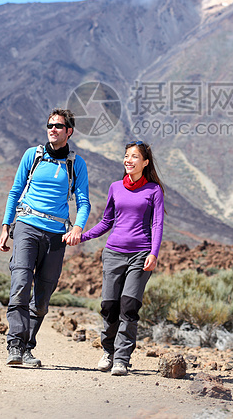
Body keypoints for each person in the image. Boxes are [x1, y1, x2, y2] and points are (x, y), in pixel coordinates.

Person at [63, 140, 165, 376]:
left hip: (141, 254)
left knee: (129, 306)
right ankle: (108, 351)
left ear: (145, 162)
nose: (129, 160)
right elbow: (107, 221)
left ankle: (121, 358)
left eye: (135, 157)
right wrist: (82, 236)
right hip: (113, 253)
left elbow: (158, 223)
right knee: (109, 306)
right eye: (127, 156)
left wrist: (154, 253)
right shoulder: (115, 187)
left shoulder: (154, 190)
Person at [0, 108, 90, 367]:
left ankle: (28, 347)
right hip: (27, 226)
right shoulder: (33, 155)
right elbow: (15, 190)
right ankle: (15, 346)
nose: (53, 129)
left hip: (56, 236)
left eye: (58, 126)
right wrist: (6, 226)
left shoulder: (76, 163)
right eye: (50, 125)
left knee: (41, 298)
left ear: (69, 131)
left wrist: (78, 228)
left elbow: (83, 201)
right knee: (20, 284)